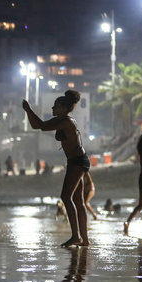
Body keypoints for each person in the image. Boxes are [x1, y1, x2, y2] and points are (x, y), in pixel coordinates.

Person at [22, 90, 90, 247]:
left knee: (66, 197)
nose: (53, 109)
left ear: (64, 108)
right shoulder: (60, 120)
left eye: (56, 106)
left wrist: (29, 109)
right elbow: (37, 125)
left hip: (78, 161)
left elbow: (42, 126)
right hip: (75, 161)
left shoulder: (67, 122)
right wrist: (28, 111)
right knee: (78, 201)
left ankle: (76, 236)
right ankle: (83, 239)